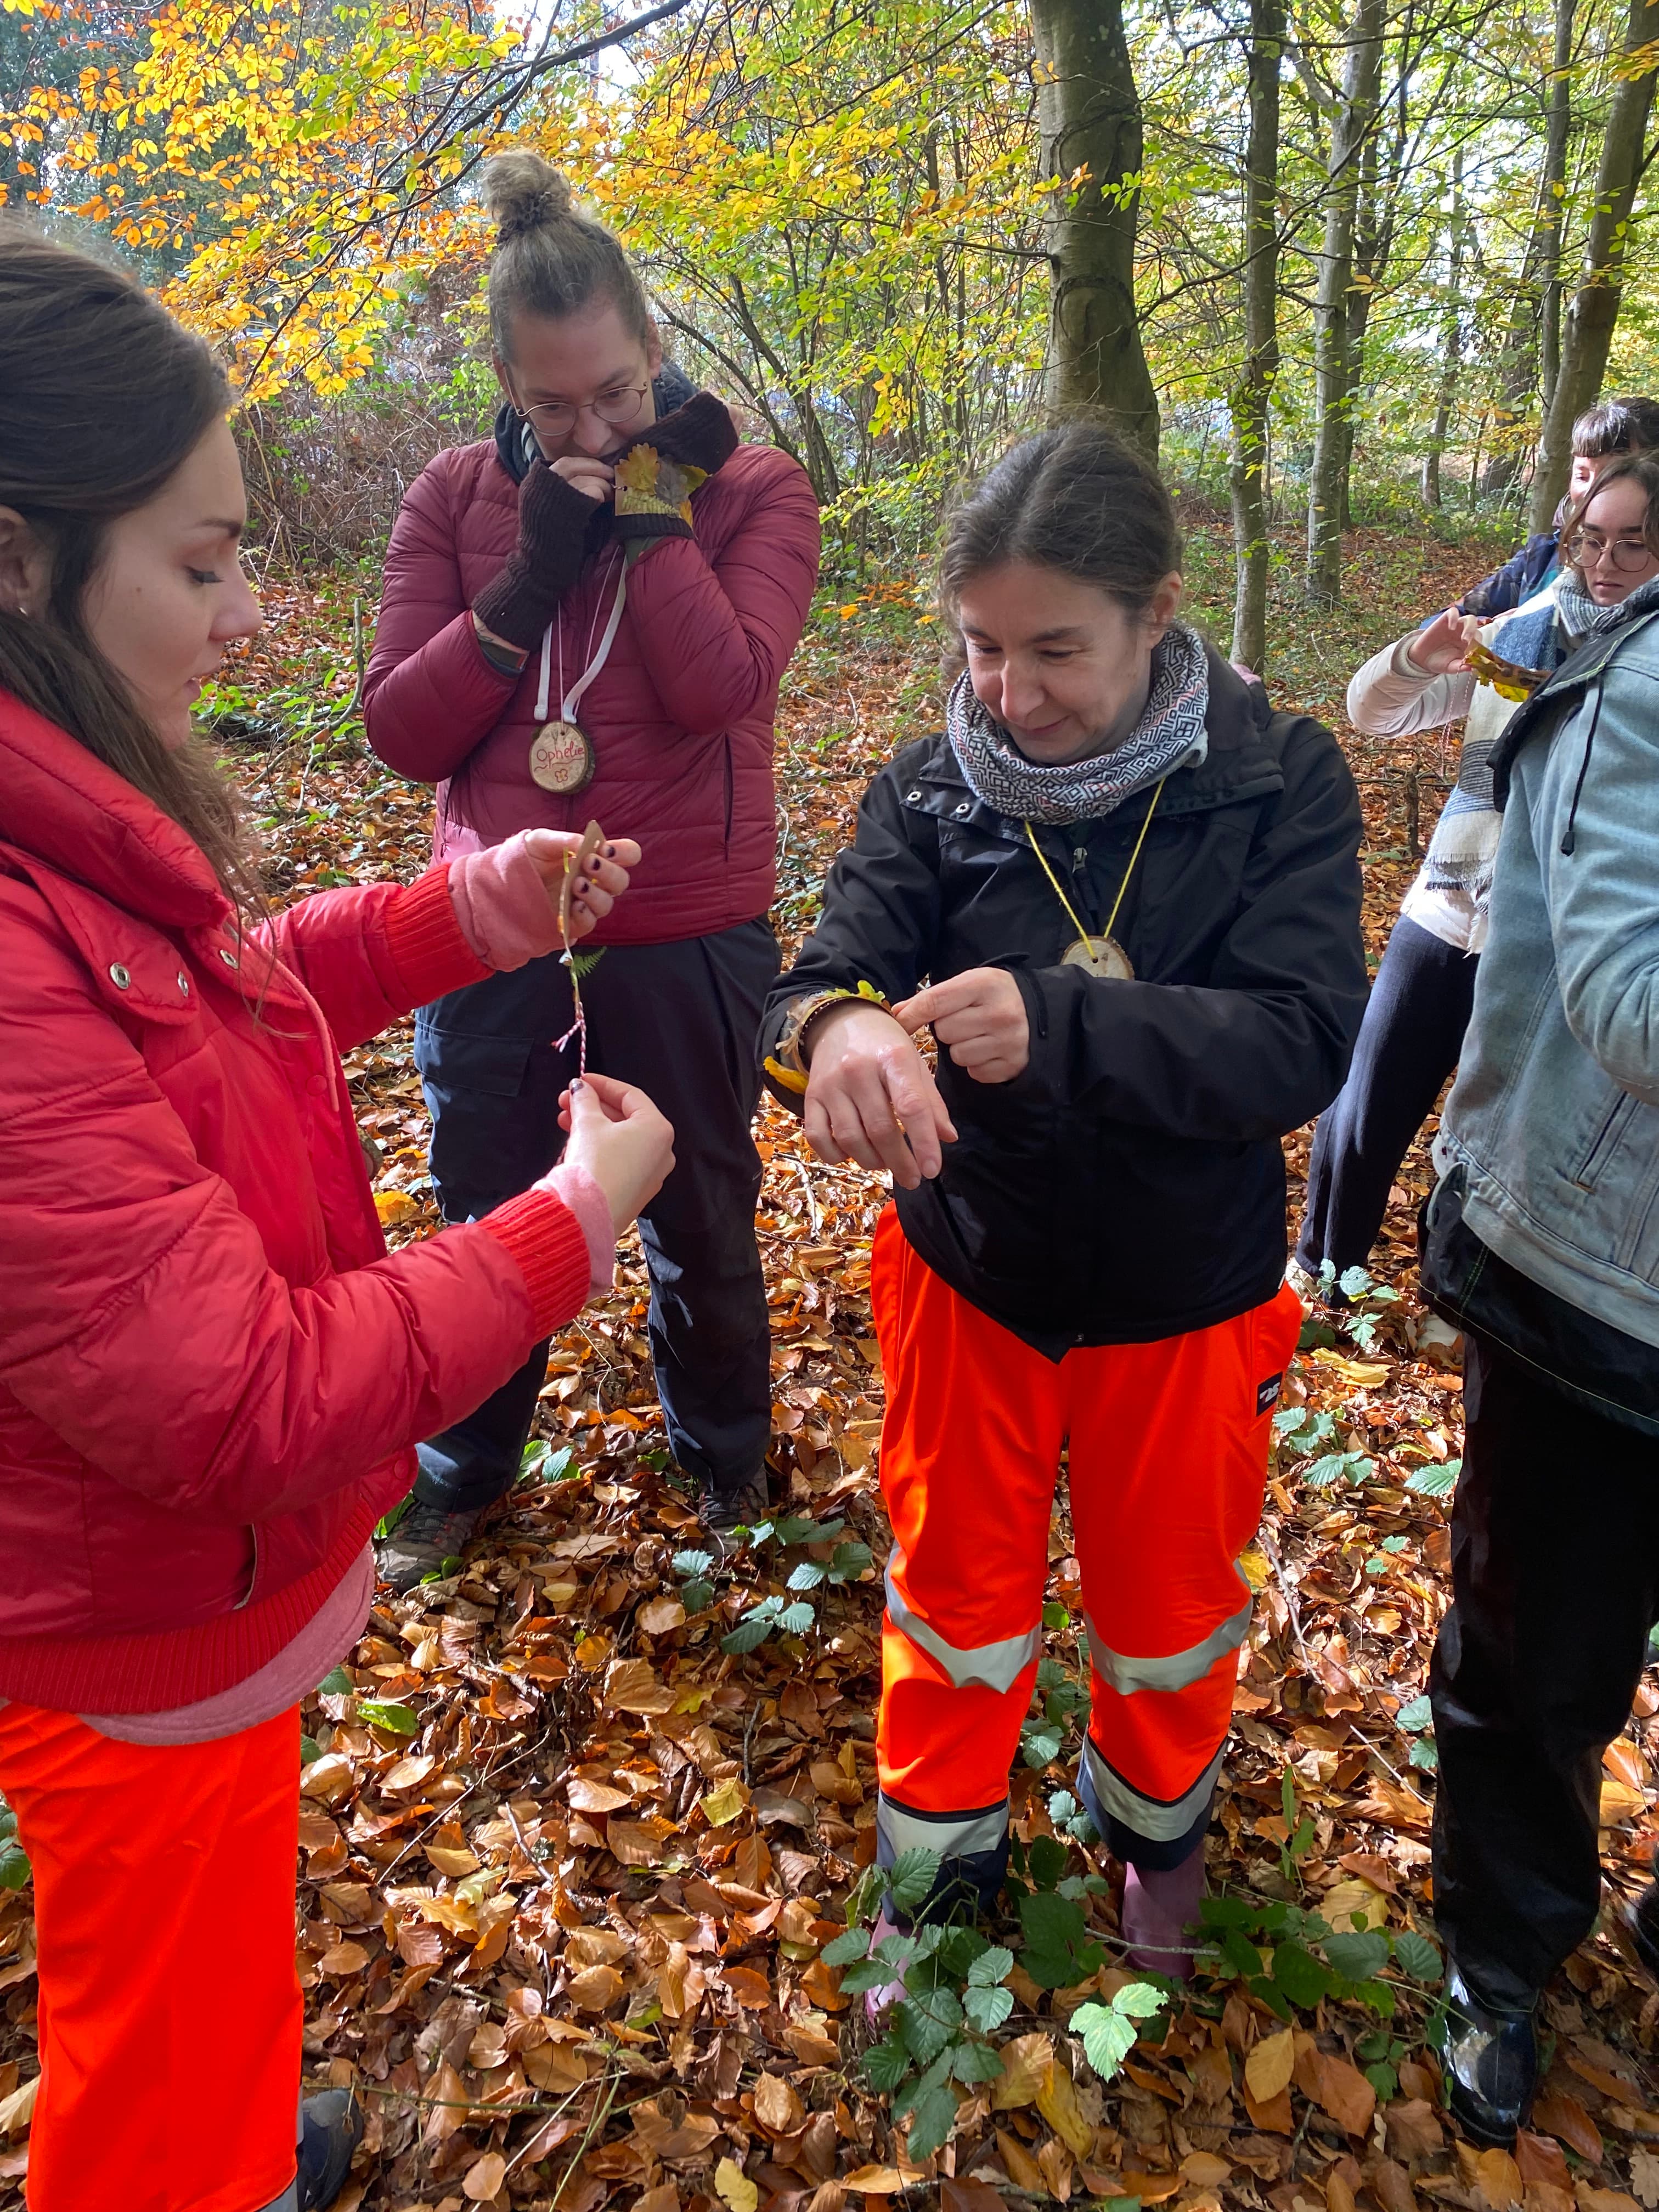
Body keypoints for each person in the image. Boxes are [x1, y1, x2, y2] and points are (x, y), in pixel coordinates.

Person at [0, 228, 673, 2212]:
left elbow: (209, 999)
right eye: (202, 565)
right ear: (20, 563)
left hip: (173, 1600)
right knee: (152, 2076)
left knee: (198, 1976)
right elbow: (240, 1391)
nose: (244, 618)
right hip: (132, 1626)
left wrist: (465, 910)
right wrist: (565, 1222)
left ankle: (230, 2110)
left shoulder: (70, 814)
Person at [759, 425, 1368, 1969]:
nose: (1010, 696)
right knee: (953, 1600)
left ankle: (1157, 1838)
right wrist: (834, 1036)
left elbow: (1303, 1041)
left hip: (1186, 1295)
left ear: (1157, 613)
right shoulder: (933, 787)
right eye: (981, 646)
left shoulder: (1278, 780)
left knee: (1170, 1611)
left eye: (1055, 652)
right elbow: (818, 977)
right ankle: (937, 1876)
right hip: (974, 1271)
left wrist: (1067, 1024)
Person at [363, 150, 821, 1583]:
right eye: (555, 406)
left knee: (701, 1209)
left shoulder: (751, 487)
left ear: (655, 349)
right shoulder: (453, 497)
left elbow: (721, 686)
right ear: (507, 384)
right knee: (486, 1207)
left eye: (618, 392)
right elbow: (403, 729)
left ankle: (726, 1461)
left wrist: (651, 514)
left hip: (686, 924)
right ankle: (465, 1469)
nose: (594, 426)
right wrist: (527, 575)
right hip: (491, 924)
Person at [1413, 453, 1659, 2146]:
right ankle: (1503, 1956)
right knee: (1542, 1645)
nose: (1604, 549)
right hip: (1593, 1267)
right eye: (1595, 529)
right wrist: (1445, 652)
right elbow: (1622, 987)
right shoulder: (1624, 681)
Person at [1294, 396, 1659, 1294]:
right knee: (1364, 1105)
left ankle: (1459, 1297)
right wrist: (1415, 660)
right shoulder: (1518, 637)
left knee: (1503, 1133)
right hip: (1449, 910)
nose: (1604, 564)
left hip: (1557, 947)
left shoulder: (1644, 677)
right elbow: (1374, 712)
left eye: (1632, 545)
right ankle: (1321, 1277)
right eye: (1590, 539)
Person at [1457, 395, 1659, 618]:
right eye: (1582, 476)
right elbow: (1458, 614)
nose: (1591, 491)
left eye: (1613, 475)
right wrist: (1490, 628)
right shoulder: (1543, 556)